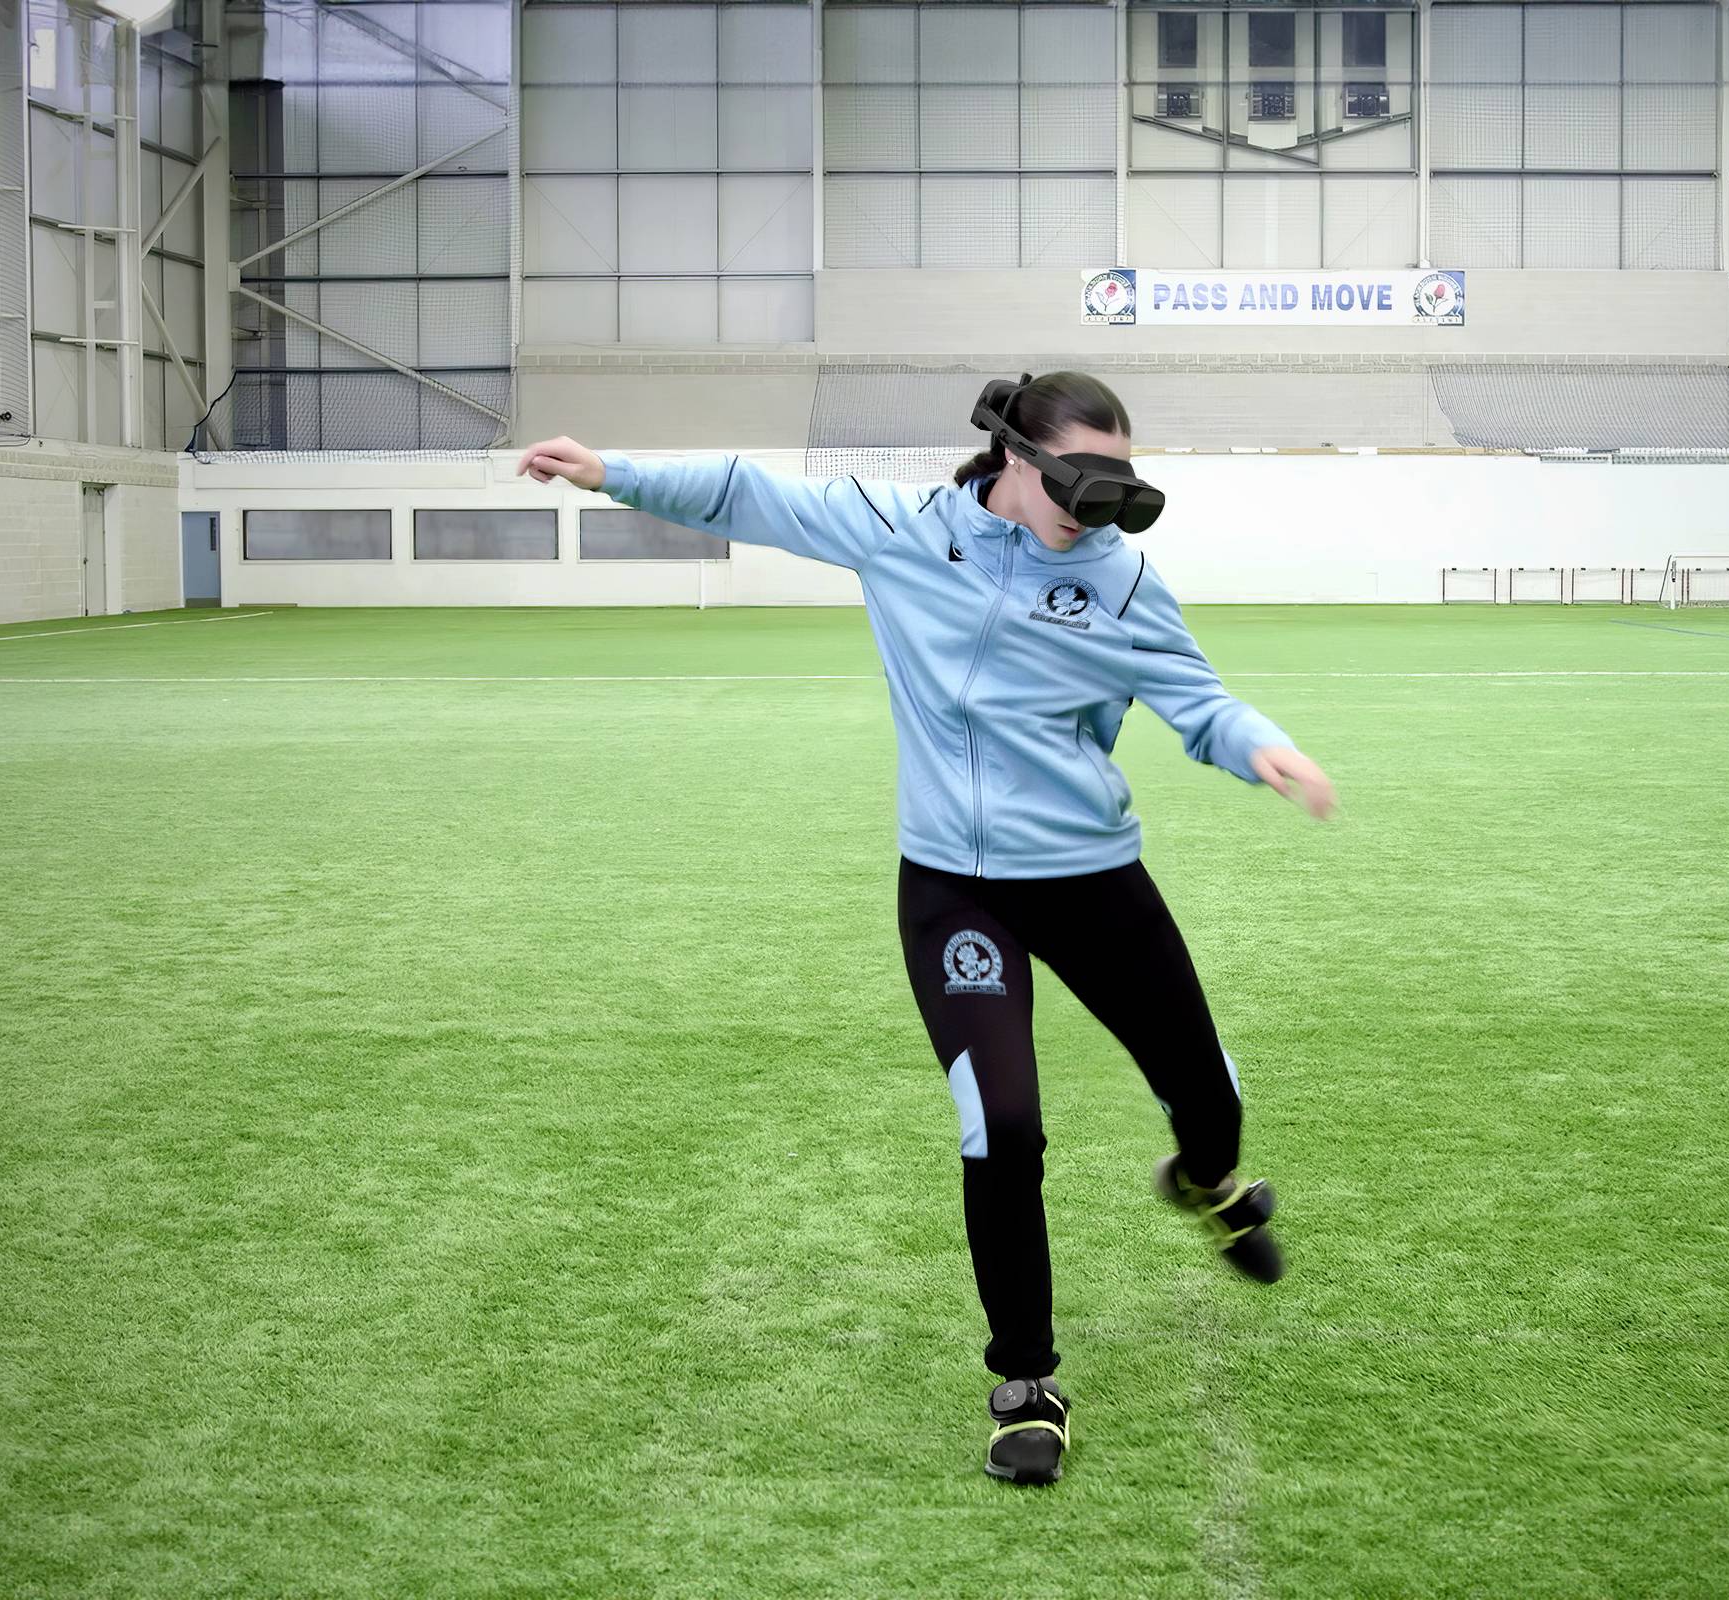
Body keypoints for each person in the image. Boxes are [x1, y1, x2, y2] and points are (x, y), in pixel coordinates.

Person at [515, 371, 1336, 1486]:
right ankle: (1025, 1382)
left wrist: (1262, 749)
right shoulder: (902, 534)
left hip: (1092, 878)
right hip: (955, 892)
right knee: (1000, 1125)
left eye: (1112, 487)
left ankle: (1205, 1181)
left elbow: (1198, 700)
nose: (1085, 510)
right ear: (1011, 455)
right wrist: (613, 472)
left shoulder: (1124, 580)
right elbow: (752, 495)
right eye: (1071, 482)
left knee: (1210, 1097)